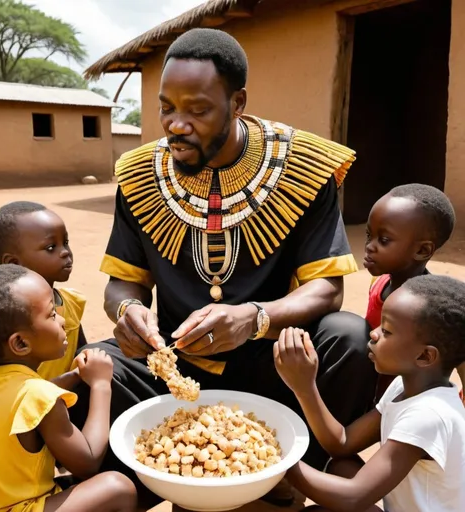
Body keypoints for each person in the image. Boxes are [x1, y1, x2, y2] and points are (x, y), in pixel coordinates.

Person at [69, 27, 377, 494]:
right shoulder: (138, 176)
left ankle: (290, 478)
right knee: (87, 370)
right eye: (166, 108)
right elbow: (122, 283)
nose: (175, 124)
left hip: (274, 364)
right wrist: (128, 312)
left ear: (238, 103)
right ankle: (149, 481)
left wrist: (255, 318)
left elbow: (327, 288)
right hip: (171, 366)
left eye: (197, 110)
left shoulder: (305, 168)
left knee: (349, 338)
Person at [0, 265, 137, 512]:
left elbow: (34, 395)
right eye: (52, 315)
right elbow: (89, 460)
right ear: (20, 342)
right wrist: (101, 384)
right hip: (15, 507)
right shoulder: (42, 399)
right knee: (118, 488)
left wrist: (74, 376)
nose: (62, 320)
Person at [276, 275, 465, 512]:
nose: (373, 333)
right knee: (340, 465)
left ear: (425, 356)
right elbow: (342, 443)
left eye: (386, 331)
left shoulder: (429, 416)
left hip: (361, 497)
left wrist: (277, 460)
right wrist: (305, 387)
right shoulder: (404, 387)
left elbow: (353, 498)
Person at [363, 184, 464, 400]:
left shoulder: (432, 310)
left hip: (409, 408)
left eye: (383, 240)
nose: (369, 247)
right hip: (372, 400)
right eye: (369, 235)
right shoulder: (379, 284)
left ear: (422, 250)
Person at [0, 201, 87, 384]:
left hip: (69, 403)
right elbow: (20, 388)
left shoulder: (71, 302)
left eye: (65, 242)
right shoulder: (17, 319)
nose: (65, 252)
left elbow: (81, 351)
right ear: (14, 263)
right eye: (51, 247)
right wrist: (78, 378)